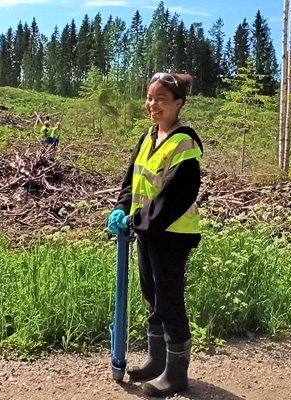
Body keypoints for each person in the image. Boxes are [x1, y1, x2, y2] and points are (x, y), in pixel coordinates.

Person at [108, 72, 203, 397]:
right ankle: (156, 361)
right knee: (152, 294)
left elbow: (177, 196)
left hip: (172, 235)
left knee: (169, 300)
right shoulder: (150, 137)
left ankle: (176, 374)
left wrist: (138, 221)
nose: (152, 105)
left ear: (178, 103)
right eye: (150, 98)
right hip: (148, 233)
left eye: (160, 99)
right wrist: (122, 207)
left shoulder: (184, 143)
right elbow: (130, 180)